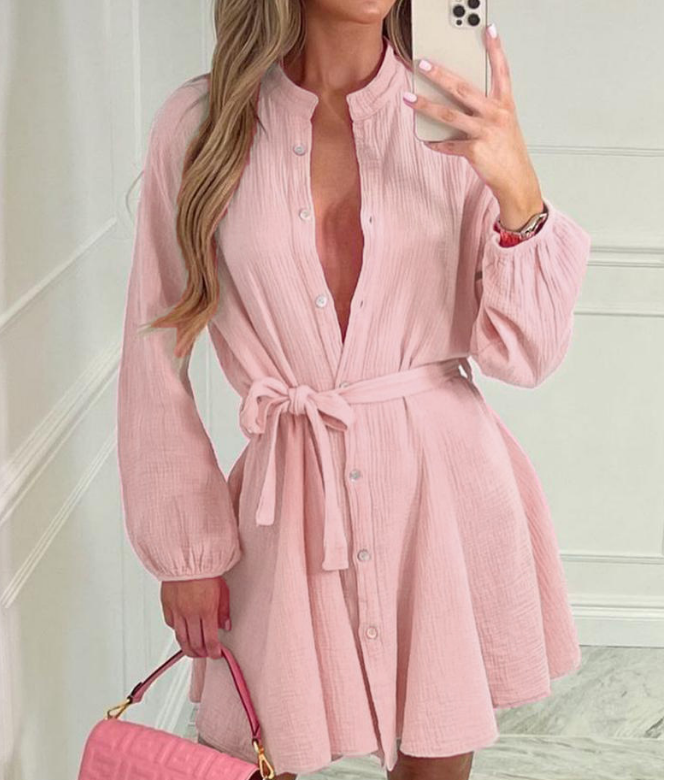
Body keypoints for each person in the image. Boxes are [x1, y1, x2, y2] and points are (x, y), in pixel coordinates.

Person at [116, 2, 591, 779]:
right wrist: (184, 550)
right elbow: (153, 344)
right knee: (261, 748)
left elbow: (526, 356)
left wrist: (516, 184)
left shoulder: (455, 112)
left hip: (441, 493)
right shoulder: (200, 124)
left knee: (433, 758)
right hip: (286, 498)